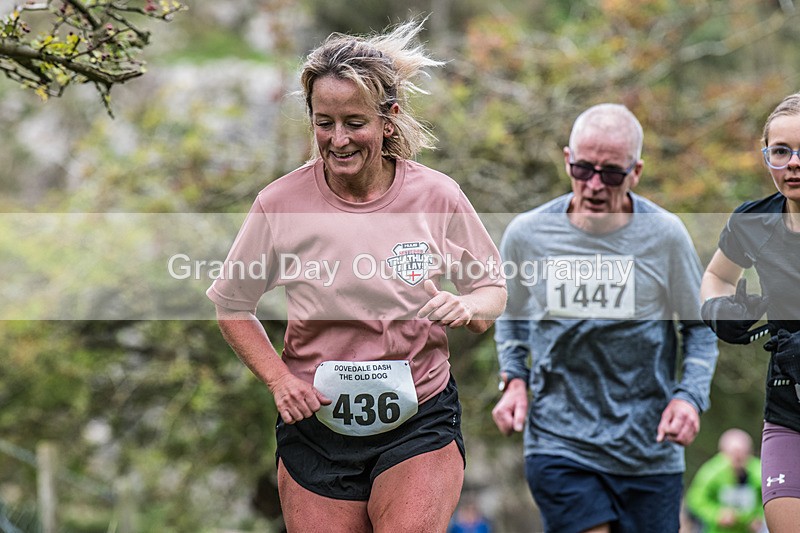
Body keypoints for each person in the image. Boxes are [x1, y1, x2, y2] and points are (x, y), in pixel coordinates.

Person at [206, 19, 507, 533]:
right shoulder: (280, 205)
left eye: (354, 122)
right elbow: (231, 305)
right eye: (324, 123)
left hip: (420, 417)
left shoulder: (436, 196)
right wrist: (279, 379)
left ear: (388, 118)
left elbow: (491, 287)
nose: (338, 139)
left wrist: (469, 307)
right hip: (315, 426)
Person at [491, 103, 719, 533]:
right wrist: (514, 379)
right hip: (559, 442)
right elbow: (511, 314)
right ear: (566, 161)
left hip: (648, 450)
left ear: (636, 172)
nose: (595, 185)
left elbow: (700, 330)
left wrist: (689, 397)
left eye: (611, 173)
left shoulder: (666, 236)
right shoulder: (527, 234)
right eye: (583, 169)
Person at [700, 91, 800, 533]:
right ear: (767, 157)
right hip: (787, 409)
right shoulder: (751, 222)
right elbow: (716, 278)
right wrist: (719, 308)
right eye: (781, 151)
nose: (793, 162)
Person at [685, 428, 764, 533]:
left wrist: (758, 517)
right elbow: (695, 499)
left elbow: (768, 499)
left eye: (742, 452)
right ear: (723, 453)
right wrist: (717, 514)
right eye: (733, 453)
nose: (738, 458)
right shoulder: (711, 472)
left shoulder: (759, 471)